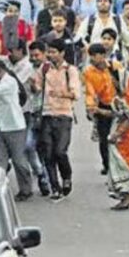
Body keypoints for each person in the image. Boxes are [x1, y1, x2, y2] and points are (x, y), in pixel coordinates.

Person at [33, 39, 80, 201]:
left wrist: (61, 94)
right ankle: (55, 187)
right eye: (49, 52)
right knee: (48, 154)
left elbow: (76, 94)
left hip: (64, 115)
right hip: (46, 114)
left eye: (54, 52)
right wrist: (34, 85)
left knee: (60, 151)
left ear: (62, 53)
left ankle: (66, 177)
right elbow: (37, 87)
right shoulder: (44, 68)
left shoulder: (71, 71)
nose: (51, 55)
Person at [0, 58, 34, 200]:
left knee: (18, 160)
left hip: (15, 127)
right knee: (0, 161)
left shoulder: (10, 82)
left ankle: (26, 189)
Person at [106, 54, 129, 211]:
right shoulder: (120, 94)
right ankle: (124, 196)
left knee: (122, 164)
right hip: (124, 134)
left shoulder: (128, 96)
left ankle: (126, 196)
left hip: (127, 136)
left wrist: (116, 134)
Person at [22, 41, 52, 196]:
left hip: (46, 113)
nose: (34, 58)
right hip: (30, 113)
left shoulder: (49, 69)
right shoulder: (27, 69)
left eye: (37, 55)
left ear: (44, 54)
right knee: (28, 146)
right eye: (31, 55)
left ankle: (46, 180)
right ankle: (40, 173)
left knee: (45, 150)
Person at [84, 43, 118, 176]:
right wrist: (90, 108)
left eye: (95, 56)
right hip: (102, 106)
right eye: (91, 56)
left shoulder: (115, 67)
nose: (92, 59)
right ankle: (107, 164)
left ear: (103, 56)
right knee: (104, 138)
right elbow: (90, 91)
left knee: (118, 137)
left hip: (118, 105)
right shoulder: (88, 72)